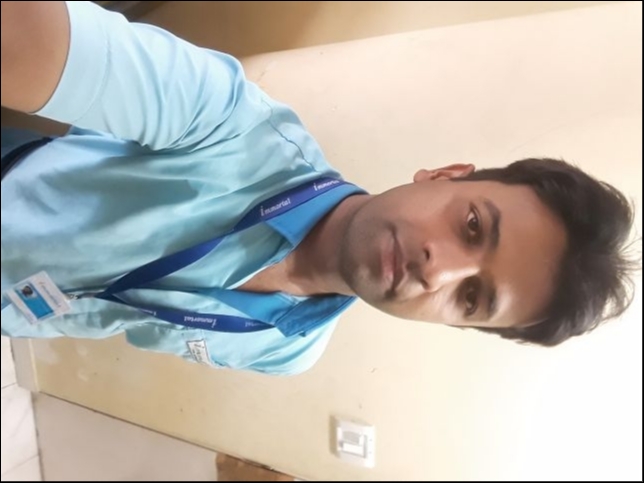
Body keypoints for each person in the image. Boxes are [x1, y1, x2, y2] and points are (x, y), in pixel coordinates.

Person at [0, 1, 637, 375]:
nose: (437, 269)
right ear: (445, 175)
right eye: (472, 226)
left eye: (471, 297)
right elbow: (21, 39)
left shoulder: (288, 351)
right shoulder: (233, 126)